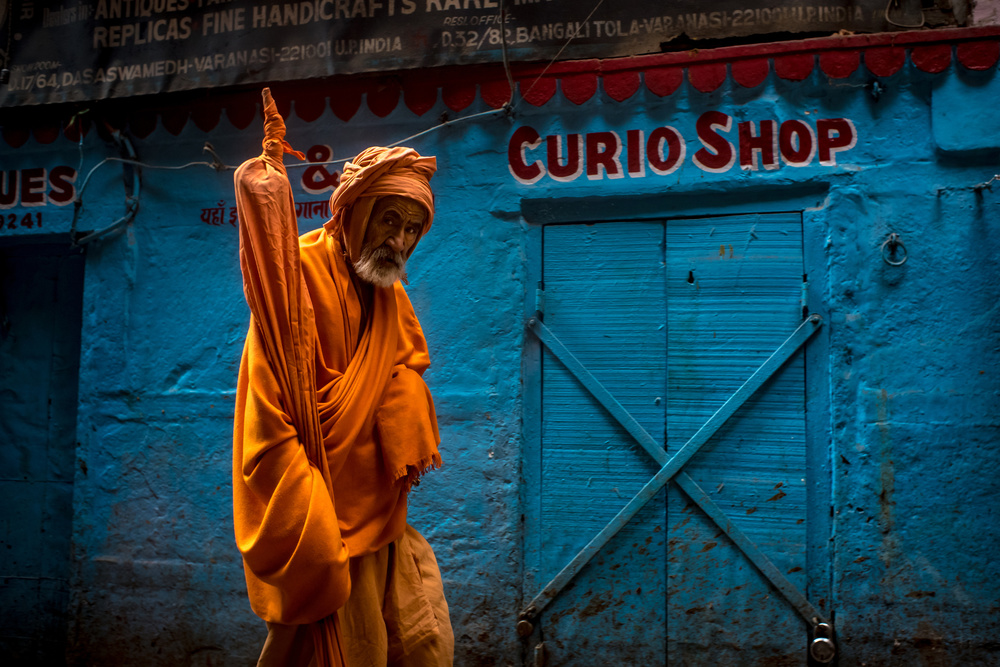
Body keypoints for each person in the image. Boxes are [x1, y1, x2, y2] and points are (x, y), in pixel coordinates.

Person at [231, 88, 453, 667]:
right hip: (324, 519)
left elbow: (404, 363)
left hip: (381, 511)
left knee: (421, 640)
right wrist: (311, 527)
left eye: (412, 229)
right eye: (389, 220)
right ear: (354, 212)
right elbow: (267, 410)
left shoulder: (389, 295)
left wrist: (404, 404)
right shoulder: (296, 277)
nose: (399, 241)